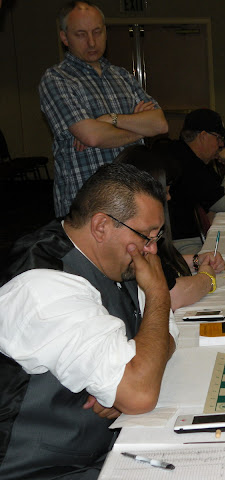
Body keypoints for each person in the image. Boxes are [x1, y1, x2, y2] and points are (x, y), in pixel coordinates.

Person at [0, 163, 178, 479]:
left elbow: (168, 329)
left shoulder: (115, 257)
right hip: (39, 469)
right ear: (101, 226)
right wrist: (158, 294)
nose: (152, 249)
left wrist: (129, 372)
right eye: (146, 236)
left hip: (101, 450)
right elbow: (140, 394)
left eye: (157, 236)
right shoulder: (43, 286)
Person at [39, 1, 168, 218]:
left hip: (133, 202)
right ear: (64, 38)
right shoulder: (57, 79)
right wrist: (140, 129)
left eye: (97, 32)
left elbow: (160, 124)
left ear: (105, 32)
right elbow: (92, 136)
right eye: (81, 34)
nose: (91, 42)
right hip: (87, 207)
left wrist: (111, 119)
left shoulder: (123, 76)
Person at [116, 144, 225, 310]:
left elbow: (163, 262)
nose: (168, 197)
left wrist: (197, 260)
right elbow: (171, 295)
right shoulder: (134, 235)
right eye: (165, 191)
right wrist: (207, 278)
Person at [161, 108, 225, 254]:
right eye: (218, 138)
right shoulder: (189, 163)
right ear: (203, 136)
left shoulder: (184, 154)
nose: (221, 144)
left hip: (183, 239)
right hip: (181, 245)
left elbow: (218, 193)